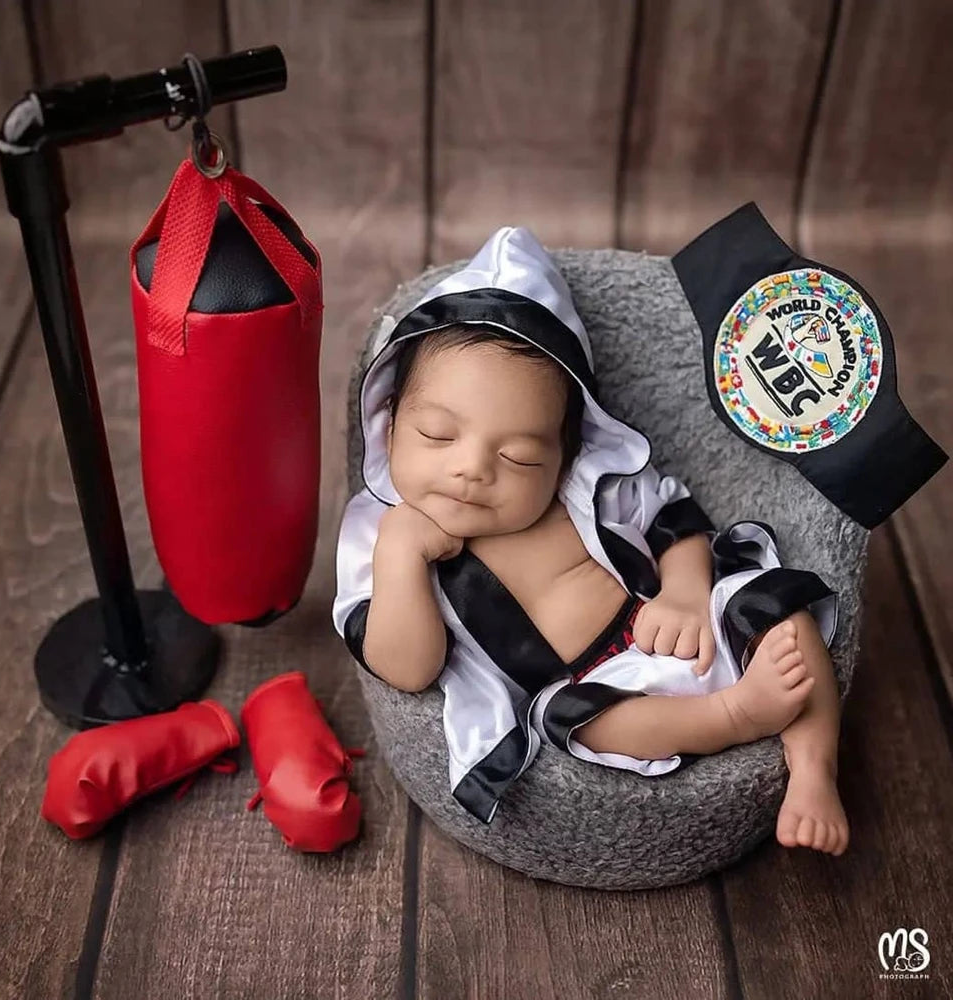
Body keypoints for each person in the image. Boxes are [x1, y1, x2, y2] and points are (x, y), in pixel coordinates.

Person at [333, 225, 848, 855]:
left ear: (564, 452)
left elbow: (678, 522)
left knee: (776, 609)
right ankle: (736, 716)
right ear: (388, 429)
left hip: (676, 626)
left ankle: (814, 770)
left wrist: (685, 595)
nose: (472, 468)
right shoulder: (378, 535)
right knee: (577, 722)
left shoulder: (591, 484)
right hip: (596, 683)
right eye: (438, 436)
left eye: (519, 456)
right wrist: (399, 556)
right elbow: (407, 671)